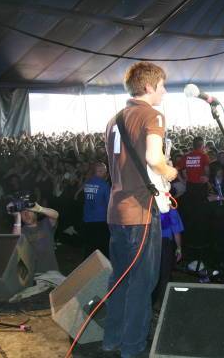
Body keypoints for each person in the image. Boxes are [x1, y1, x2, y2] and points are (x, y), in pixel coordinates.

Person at [103, 62, 178, 358]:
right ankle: (133, 349)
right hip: (141, 213)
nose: (164, 91)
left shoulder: (115, 118)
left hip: (116, 211)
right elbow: (153, 158)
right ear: (149, 86)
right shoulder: (153, 115)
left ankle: (112, 339)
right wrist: (169, 171)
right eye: (162, 85)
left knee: (118, 278)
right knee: (142, 283)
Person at [10, 202, 60, 273]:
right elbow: (14, 243)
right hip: (34, 276)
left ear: (35, 213)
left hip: (53, 272)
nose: (26, 214)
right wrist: (17, 216)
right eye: (23, 212)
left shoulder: (45, 224)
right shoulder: (21, 231)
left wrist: (40, 208)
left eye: (29, 211)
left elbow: (56, 215)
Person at [79, 162, 110, 258]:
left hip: (87, 219)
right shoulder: (104, 185)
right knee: (102, 248)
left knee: (89, 246)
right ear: (100, 171)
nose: (106, 173)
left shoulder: (88, 182)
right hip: (100, 220)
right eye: (105, 171)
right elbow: (109, 203)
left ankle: (88, 267)